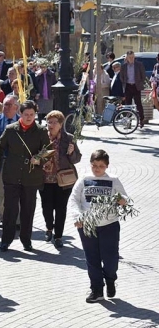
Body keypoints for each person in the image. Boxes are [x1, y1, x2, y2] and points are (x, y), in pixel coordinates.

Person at [68, 150, 128, 303]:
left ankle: (110, 279)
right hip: (87, 225)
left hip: (109, 225)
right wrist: (78, 217)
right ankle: (96, 289)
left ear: (107, 166)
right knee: (92, 258)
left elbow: (125, 198)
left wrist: (122, 200)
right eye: (94, 165)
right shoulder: (84, 179)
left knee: (110, 258)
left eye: (101, 166)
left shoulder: (113, 180)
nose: (97, 169)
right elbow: (74, 199)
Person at [0, 100, 51, 252]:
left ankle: (26, 240)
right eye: (26, 114)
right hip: (12, 176)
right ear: (20, 114)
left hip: (31, 177)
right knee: (10, 210)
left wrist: (39, 159)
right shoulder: (11, 129)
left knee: (28, 210)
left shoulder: (41, 130)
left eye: (32, 114)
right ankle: (6, 240)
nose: (29, 117)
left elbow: (48, 151)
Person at [39, 111, 82, 249]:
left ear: (61, 124)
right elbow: (35, 156)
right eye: (49, 122)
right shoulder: (42, 138)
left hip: (63, 181)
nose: (51, 125)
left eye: (54, 122)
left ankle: (58, 236)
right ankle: (49, 228)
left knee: (60, 208)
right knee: (47, 207)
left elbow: (77, 159)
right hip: (45, 179)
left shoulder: (68, 138)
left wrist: (71, 152)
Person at [119, 51, 146, 128]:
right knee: (128, 105)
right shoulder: (124, 66)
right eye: (130, 57)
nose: (131, 59)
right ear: (127, 58)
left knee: (138, 104)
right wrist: (124, 82)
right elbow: (121, 76)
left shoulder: (139, 65)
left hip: (136, 86)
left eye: (132, 57)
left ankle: (141, 120)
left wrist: (139, 82)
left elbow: (143, 76)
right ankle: (128, 123)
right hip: (128, 86)